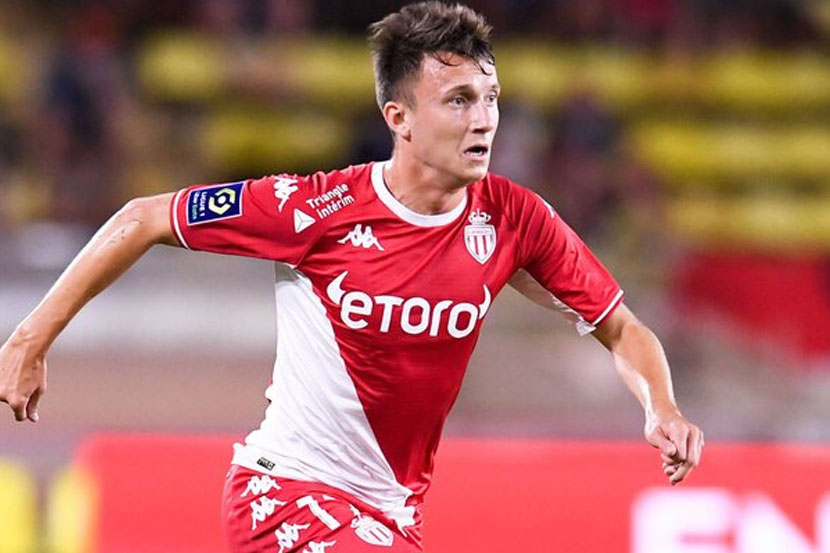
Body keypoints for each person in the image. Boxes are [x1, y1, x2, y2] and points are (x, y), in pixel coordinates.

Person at [0, 3, 703, 552]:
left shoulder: (515, 219)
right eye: (458, 100)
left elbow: (620, 326)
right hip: (285, 494)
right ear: (399, 117)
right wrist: (32, 338)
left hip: (390, 515)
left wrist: (661, 407)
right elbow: (143, 217)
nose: (484, 119)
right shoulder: (318, 209)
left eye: (490, 97)